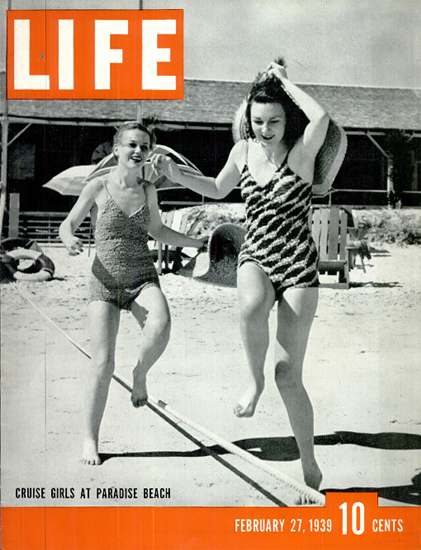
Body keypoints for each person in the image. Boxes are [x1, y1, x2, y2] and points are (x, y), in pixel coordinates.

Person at [150, 59, 331, 495]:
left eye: (273, 120)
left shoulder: (302, 150)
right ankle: (253, 381)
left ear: (287, 119)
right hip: (257, 254)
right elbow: (216, 188)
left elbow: (322, 116)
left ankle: (309, 461)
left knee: (289, 374)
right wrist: (177, 174)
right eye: (257, 121)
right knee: (249, 306)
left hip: (300, 263)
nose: (265, 129)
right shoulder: (242, 151)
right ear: (247, 121)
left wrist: (284, 81)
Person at [59, 121, 207, 465]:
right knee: (103, 362)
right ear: (116, 150)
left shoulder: (149, 189)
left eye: (144, 146)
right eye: (131, 145)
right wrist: (68, 239)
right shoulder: (97, 186)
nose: (138, 151)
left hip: (142, 275)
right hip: (104, 281)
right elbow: (69, 224)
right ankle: (90, 439)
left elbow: (157, 230)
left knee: (162, 324)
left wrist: (195, 242)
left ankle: (139, 374)